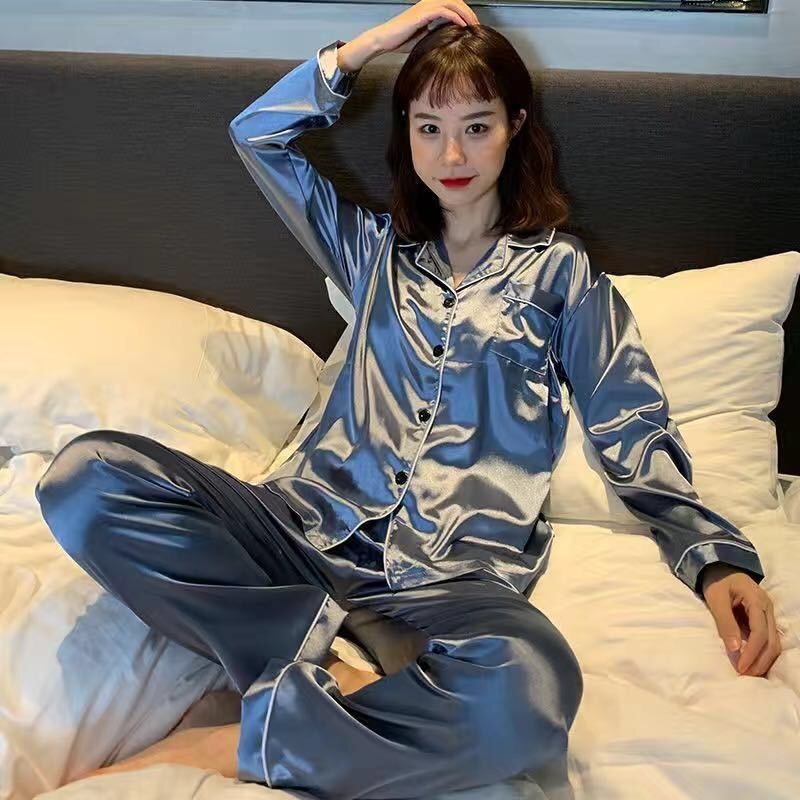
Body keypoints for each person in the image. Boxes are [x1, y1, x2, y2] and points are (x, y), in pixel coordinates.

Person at [36, 0, 782, 796]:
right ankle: (319, 665)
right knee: (86, 479)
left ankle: (241, 740)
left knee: (531, 690)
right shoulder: (373, 253)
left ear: (516, 127)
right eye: (429, 127)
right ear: (407, 134)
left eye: (477, 126)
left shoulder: (561, 274)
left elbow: (627, 421)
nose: (452, 153)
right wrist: (372, 46)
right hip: (301, 531)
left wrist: (713, 559)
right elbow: (256, 136)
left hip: (451, 576)